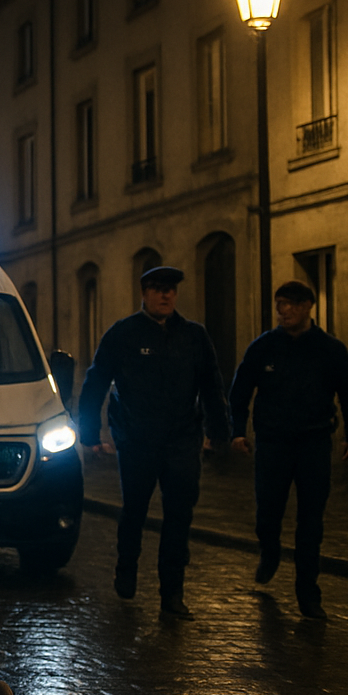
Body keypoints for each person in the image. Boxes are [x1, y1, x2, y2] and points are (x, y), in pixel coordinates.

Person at [76, 265, 229, 619]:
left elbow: (211, 384)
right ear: (144, 293)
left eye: (171, 290)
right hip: (137, 440)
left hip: (181, 440)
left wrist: (219, 431)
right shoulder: (124, 334)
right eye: (158, 289)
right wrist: (89, 432)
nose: (165, 295)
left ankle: (172, 595)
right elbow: (96, 382)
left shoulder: (193, 336)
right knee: (135, 510)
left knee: (179, 518)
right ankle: (127, 566)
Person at [229, 281, 348, 619]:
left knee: (311, 519)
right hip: (273, 441)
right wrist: (236, 430)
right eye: (280, 304)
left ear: (308, 306)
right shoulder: (264, 347)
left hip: (314, 441)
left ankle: (308, 593)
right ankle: (270, 550)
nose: (284, 311)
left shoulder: (329, 349)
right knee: (268, 510)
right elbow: (241, 389)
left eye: (291, 304)